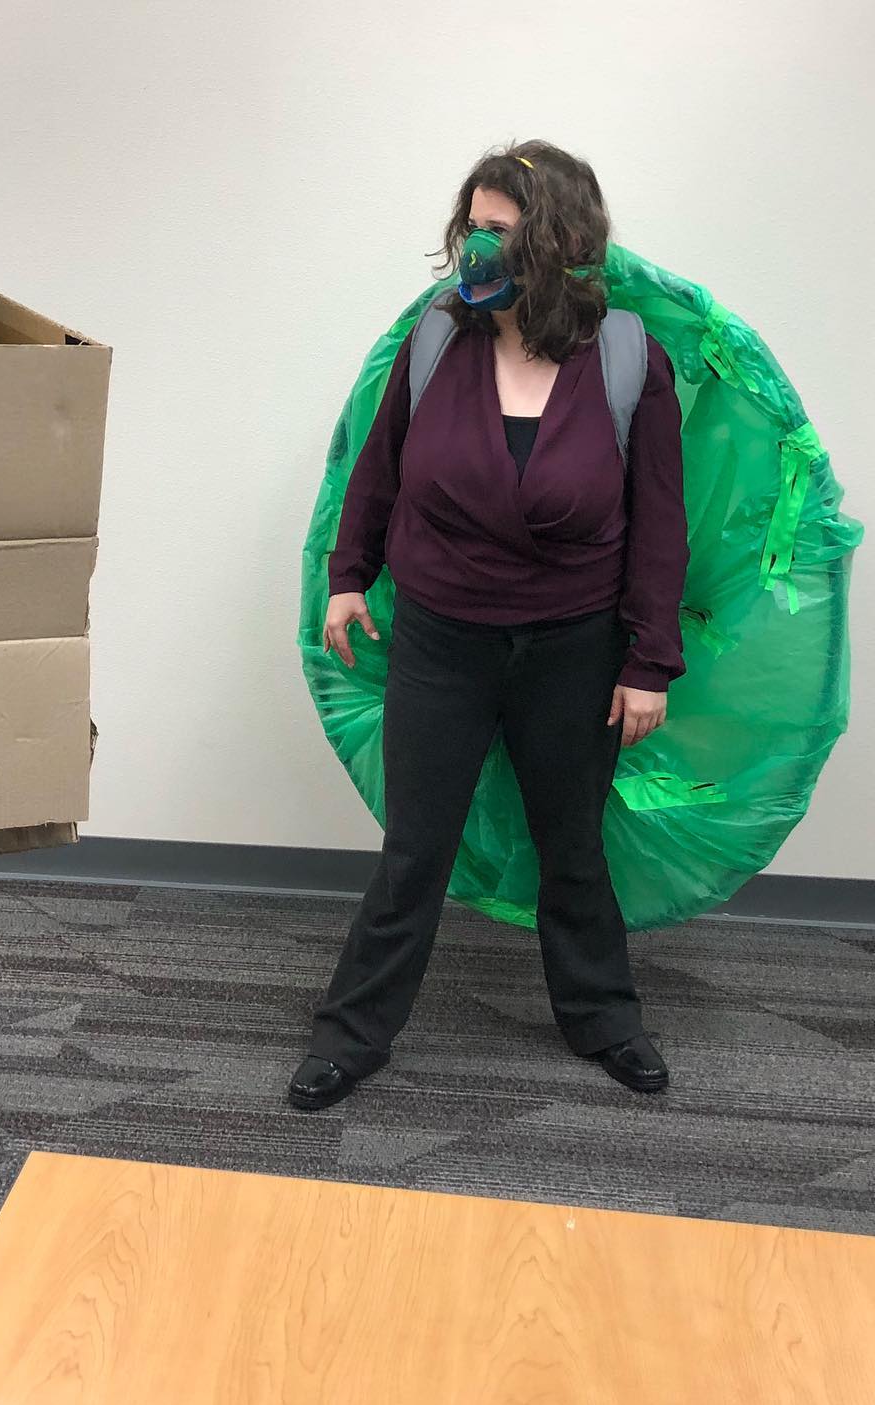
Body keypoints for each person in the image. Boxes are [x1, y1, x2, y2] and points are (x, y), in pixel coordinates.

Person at [289, 141, 689, 1113]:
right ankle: (352, 1036)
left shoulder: (630, 358)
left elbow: (659, 527)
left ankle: (605, 1019)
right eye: (470, 226)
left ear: (557, 240)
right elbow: (376, 468)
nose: (476, 245)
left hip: (573, 649)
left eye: (499, 230)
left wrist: (649, 662)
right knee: (414, 850)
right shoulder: (436, 340)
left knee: (574, 849)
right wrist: (350, 581)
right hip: (441, 640)